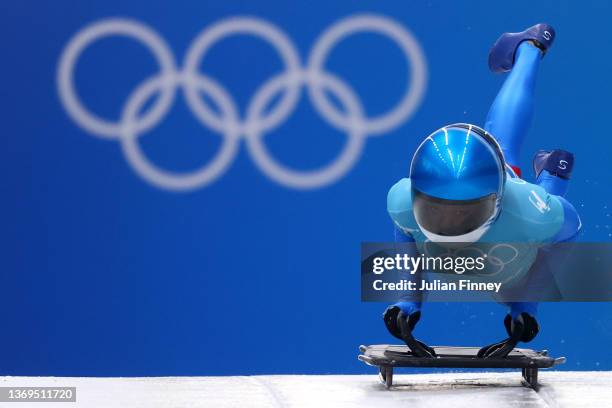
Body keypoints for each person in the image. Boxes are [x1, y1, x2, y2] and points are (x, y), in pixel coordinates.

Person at [383, 23, 581, 358]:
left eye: (464, 210)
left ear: (497, 200)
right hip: (508, 230)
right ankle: (529, 48)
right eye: (437, 208)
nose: (450, 221)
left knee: (509, 153)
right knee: (503, 145)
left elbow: (569, 231)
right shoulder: (403, 202)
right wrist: (407, 301)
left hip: (518, 233)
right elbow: (405, 229)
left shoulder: (528, 211)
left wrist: (524, 304)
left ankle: (553, 173)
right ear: (418, 198)